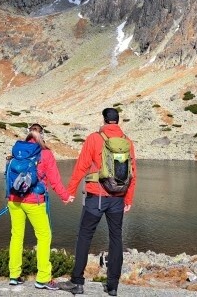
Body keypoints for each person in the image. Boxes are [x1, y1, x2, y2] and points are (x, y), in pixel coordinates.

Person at [58, 108, 137, 296]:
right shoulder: (127, 142)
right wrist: (129, 198)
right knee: (116, 238)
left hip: (96, 197)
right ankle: (113, 286)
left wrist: (70, 192)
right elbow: (133, 173)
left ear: (103, 120)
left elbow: (81, 167)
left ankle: (77, 282)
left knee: (84, 237)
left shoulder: (94, 138)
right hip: (118, 198)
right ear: (118, 121)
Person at [7, 123, 72, 290]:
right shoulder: (46, 153)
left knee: (16, 236)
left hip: (14, 200)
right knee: (44, 236)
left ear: (28, 133)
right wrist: (65, 197)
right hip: (34, 201)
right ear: (42, 135)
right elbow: (55, 179)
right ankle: (43, 278)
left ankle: (14, 275)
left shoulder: (17, 150)